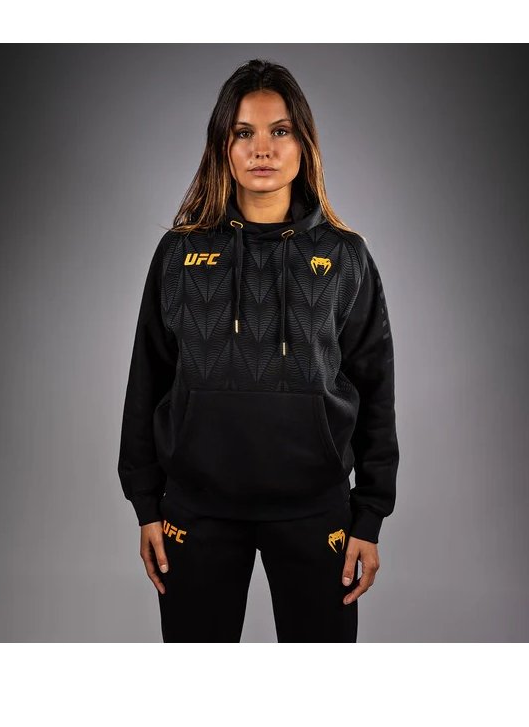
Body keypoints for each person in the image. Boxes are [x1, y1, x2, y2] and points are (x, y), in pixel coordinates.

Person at [117, 58, 398, 642]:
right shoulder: (180, 255)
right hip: (196, 510)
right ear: (223, 145)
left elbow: (375, 387)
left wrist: (368, 515)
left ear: (304, 144)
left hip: (315, 510)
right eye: (244, 132)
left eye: (280, 130)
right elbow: (148, 377)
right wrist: (147, 505)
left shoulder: (345, 256)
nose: (262, 149)